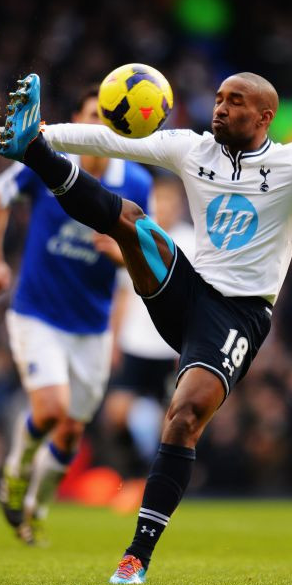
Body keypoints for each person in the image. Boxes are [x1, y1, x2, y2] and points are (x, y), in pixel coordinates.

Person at [0, 71, 292, 584]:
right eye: (218, 99)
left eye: (234, 102)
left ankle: (136, 556)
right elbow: (110, 139)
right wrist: (44, 136)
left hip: (238, 315)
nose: (219, 108)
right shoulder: (191, 149)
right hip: (186, 289)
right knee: (130, 219)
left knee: (184, 414)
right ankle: (32, 151)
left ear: (264, 117)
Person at [0, 88, 151, 545]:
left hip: (92, 325)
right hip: (37, 311)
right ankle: (15, 474)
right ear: (76, 119)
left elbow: (142, 252)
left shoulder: (135, 182)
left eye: (109, 119)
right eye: (92, 114)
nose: (99, 125)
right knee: (51, 408)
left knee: (73, 430)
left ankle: (34, 509)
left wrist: (119, 254)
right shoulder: (49, 162)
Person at [103, 175, 194, 477]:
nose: (165, 207)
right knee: (115, 412)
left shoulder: (191, 242)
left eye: (170, 201)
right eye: (159, 200)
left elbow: (197, 298)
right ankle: (135, 472)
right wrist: (114, 341)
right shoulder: (137, 237)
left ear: (180, 205)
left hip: (170, 346)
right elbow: (122, 294)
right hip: (135, 343)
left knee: (175, 420)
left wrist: (191, 343)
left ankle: (166, 478)